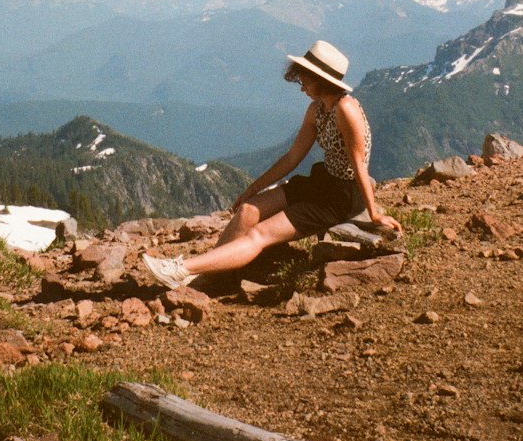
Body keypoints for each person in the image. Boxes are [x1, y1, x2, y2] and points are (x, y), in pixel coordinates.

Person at [142, 39, 403, 288]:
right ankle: (209, 273)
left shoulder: (347, 110)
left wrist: (374, 214)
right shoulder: (317, 109)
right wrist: (252, 190)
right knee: (248, 211)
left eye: (305, 77)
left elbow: (358, 165)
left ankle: (183, 269)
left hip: (340, 198)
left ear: (322, 80)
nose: (301, 84)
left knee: (259, 235)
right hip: (321, 181)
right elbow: (292, 157)